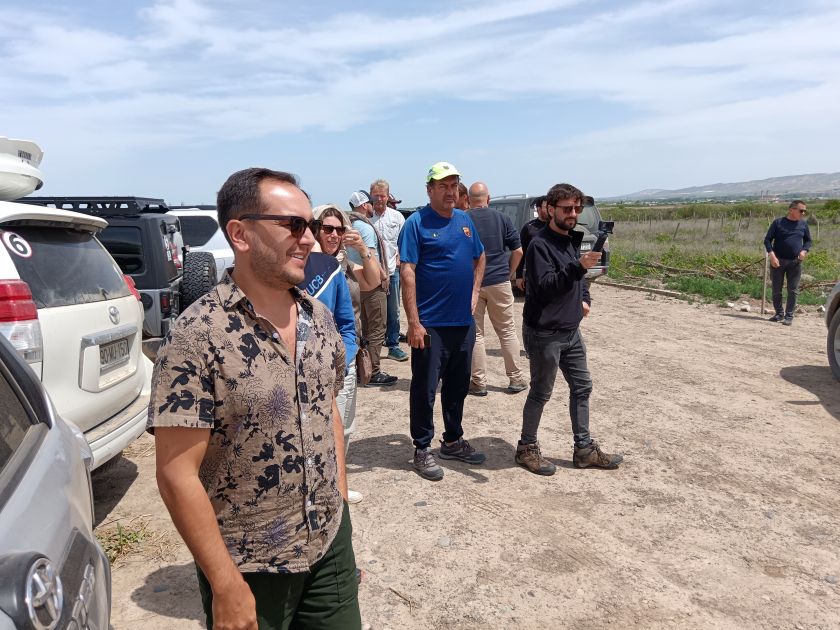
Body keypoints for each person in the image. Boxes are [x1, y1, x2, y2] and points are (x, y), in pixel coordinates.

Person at [150, 167, 361, 629]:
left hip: (329, 546)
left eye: (311, 225)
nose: (309, 238)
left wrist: (341, 507)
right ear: (240, 234)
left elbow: (327, 413)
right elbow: (175, 473)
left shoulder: (319, 319)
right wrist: (225, 584)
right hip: (249, 563)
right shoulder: (197, 335)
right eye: (293, 225)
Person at [516, 182, 623, 476]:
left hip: (571, 331)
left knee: (582, 386)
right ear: (550, 209)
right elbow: (545, 287)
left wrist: (585, 298)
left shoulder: (571, 240)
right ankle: (526, 449)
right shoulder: (539, 245)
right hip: (545, 333)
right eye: (567, 209)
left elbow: (579, 279)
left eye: (577, 209)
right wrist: (578, 266)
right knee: (541, 392)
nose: (573, 214)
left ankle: (584, 450)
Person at [398, 161, 487, 481]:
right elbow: (407, 271)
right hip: (430, 324)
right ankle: (422, 447)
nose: (449, 192)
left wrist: (475, 293)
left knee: (458, 385)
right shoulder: (416, 223)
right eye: (442, 186)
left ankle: (452, 440)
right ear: (430, 190)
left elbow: (480, 256)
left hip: (462, 322)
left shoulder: (464, 220)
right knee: (424, 388)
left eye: (453, 186)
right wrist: (413, 322)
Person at [302, 207, 381, 505]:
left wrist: (362, 249)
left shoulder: (344, 265)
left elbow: (374, 282)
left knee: (343, 426)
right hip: (308, 360)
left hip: (344, 355)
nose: (334, 235)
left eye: (339, 229)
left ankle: (337, 485)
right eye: (327, 228)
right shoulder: (302, 264)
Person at [466, 181, 527, 396]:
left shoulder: (463, 219)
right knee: (507, 331)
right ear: (488, 199)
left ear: (468, 200)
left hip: (472, 284)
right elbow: (518, 251)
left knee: (477, 335)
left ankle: (479, 382)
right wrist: (509, 273)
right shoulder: (502, 218)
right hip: (499, 280)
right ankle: (516, 378)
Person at [348, 190, 397, 385]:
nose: (372, 205)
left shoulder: (350, 225)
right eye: (369, 202)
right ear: (364, 205)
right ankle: (373, 371)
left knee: (363, 329)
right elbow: (370, 256)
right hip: (371, 284)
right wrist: (383, 276)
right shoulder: (366, 228)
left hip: (356, 284)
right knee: (377, 329)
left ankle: (361, 369)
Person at [369, 179, 408, 362]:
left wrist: (400, 258)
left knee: (393, 311)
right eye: (376, 195)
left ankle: (393, 345)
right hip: (371, 273)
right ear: (371, 196)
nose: (379, 199)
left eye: (382, 195)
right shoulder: (366, 218)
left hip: (392, 271)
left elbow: (403, 241)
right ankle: (371, 347)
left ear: (388, 197)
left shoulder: (397, 217)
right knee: (373, 311)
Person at [764, 200, 812, 325]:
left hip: (795, 262)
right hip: (777, 261)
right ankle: (779, 314)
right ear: (791, 210)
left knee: (793, 290)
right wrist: (772, 256)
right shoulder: (778, 223)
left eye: (804, 211)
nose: (803, 213)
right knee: (776, 289)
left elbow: (808, 241)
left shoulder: (803, 224)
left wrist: (804, 251)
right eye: (801, 210)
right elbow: (767, 240)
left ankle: (789, 316)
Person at [514, 195, 548, 293]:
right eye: (546, 207)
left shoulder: (555, 226)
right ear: (538, 209)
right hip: (533, 276)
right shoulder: (529, 228)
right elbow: (522, 252)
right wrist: (519, 276)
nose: (550, 209)